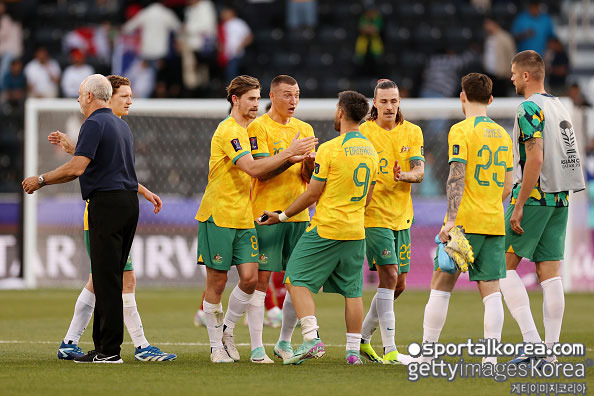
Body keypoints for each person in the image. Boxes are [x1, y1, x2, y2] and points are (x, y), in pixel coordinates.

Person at [49, 75, 176, 362]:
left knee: (107, 280)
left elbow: (104, 167)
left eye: (130, 96)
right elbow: (94, 164)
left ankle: (87, 344)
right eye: (124, 96)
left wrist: (142, 190)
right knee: (114, 281)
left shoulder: (109, 126)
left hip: (111, 204)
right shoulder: (111, 126)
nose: (129, 100)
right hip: (111, 206)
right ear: (108, 96)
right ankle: (132, 346)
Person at [195, 75, 317, 363]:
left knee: (249, 280)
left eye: (257, 98)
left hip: (243, 216)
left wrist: (303, 161)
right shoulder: (229, 131)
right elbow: (252, 168)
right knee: (217, 282)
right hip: (219, 214)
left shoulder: (250, 130)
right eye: (251, 98)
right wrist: (289, 154)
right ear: (235, 99)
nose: (256, 104)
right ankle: (216, 346)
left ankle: (226, 331)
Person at [22, 74, 140, 363]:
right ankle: (103, 348)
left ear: (89, 96)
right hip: (128, 203)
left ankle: (110, 351)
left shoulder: (94, 123)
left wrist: (40, 179)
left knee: (105, 279)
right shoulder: (120, 125)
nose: (77, 99)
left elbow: (77, 168)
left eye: (79, 94)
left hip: (107, 204)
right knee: (108, 277)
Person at [258, 90, 379, 366]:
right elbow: (368, 198)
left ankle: (311, 338)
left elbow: (312, 194)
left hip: (326, 229)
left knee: (294, 278)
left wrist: (282, 216)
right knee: (353, 292)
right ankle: (351, 352)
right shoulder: (372, 151)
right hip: (355, 230)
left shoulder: (330, 149)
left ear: (340, 112)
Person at [414, 73, 513, 366]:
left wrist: (450, 221)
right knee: (492, 291)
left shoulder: (461, 130)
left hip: (464, 223)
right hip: (494, 221)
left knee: (441, 284)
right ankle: (490, 360)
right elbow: (508, 186)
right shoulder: (504, 134)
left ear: (462, 97)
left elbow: (456, 176)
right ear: (491, 99)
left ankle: (428, 357)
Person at [500, 51, 585, 364]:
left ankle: (533, 343)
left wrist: (520, 203)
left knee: (499, 264)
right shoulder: (559, 104)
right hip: (561, 196)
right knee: (549, 274)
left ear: (525, 75)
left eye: (513, 72)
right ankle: (549, 353)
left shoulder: (529, 107)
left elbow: (534, 158)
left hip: (536, 195)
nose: (510, 78)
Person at [247, 75, 316, 363]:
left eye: (297, 95)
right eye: (287, 95)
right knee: (261, 280)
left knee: (296, 280)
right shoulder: (258, 127)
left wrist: (310, 164)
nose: (293, 100)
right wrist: (290, 156)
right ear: (272, 97)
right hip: (265, 214)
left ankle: (284, 342)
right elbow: (261, 172)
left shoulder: (305, 128)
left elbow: (307, 178)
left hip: (296, 214)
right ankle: (256, 347)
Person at [358, 79, 424, 364]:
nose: (389, 106)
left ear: (399, 102)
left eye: (394, 101)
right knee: (390, 276)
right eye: (383, 101)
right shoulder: (364, 132)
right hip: (374, 215)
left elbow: (419, 171)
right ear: (375, 103)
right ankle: (390, 350)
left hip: (402, 216)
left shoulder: (413, 131)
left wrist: (403, 176)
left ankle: (362, 339)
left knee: (399, 285)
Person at [483, 17, 516, 97]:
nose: (485, 26)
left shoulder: (505, 38)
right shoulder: (488, 38)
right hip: (489, 75)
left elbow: (511, 56)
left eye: (487, 24)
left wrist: (511, 72)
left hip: (501, 76)